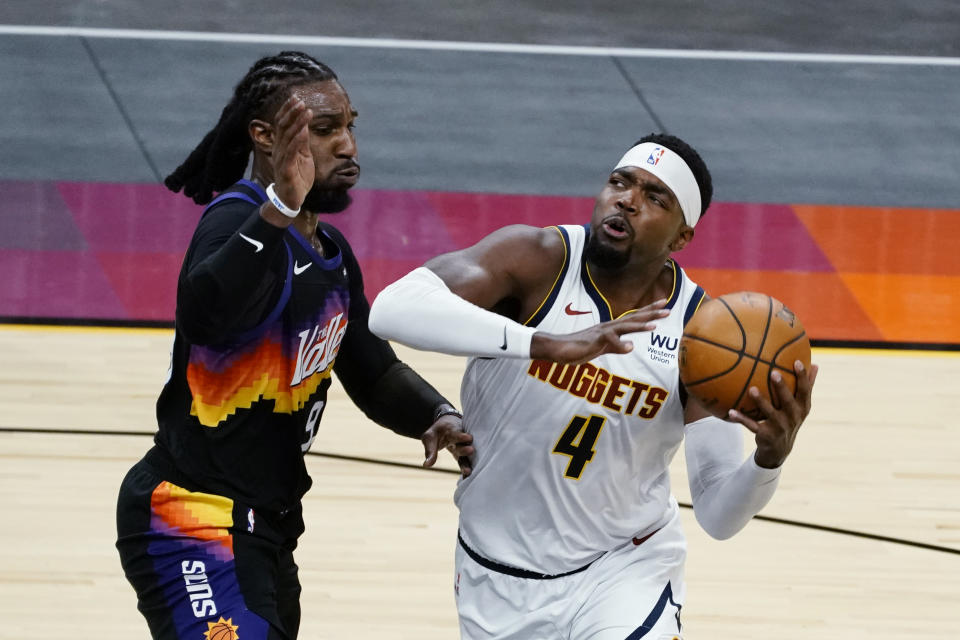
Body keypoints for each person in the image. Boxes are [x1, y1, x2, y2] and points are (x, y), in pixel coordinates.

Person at [369, 133, 818, 639]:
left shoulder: (703, 332)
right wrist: (543, 344)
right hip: (495, 573)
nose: (626, 199)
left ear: (681, 237)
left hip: (624, 571)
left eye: (655, 197)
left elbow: (717, 514)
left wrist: (769, 459)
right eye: (619, 182)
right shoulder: (537, 260)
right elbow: (391, 309)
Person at [115, 51, 473, 640]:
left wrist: (434, 415)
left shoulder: (330, 251)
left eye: (351, 125)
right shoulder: (233, 222)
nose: (350, 146)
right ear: (264, 136)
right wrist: (277, 207)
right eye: (326, 129)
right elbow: (205, 313)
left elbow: (369, 367)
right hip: (192, 517)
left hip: (268, 526)